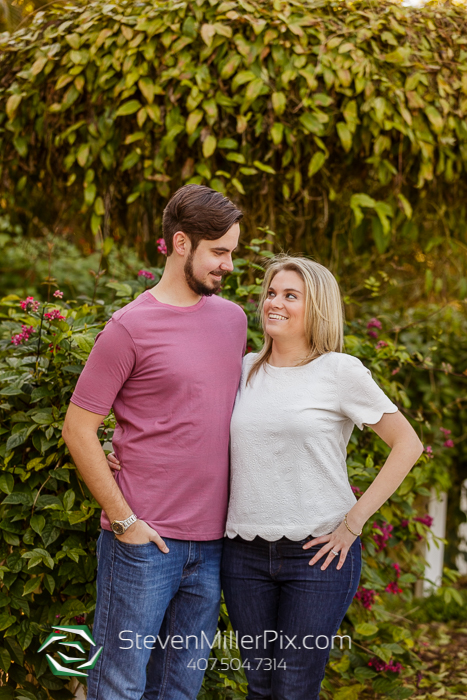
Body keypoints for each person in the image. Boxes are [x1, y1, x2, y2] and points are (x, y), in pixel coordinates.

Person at [61, 185, 247, 700]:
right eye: (221, 252)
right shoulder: (129, 327)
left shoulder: (234, 322)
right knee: (116, 687)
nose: (229, 265)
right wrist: (124, 521)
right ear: (181, 243)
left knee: (179, 688)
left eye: (233, 251)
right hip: (143, 543)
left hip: (212, 546)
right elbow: (78, 428)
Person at [219, 255, 424, 700]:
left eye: (291, 296)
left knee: (294, 687)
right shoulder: (241, 370)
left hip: (317, 557)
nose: (275, 303)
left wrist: (353, 522)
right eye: (272, 293)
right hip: (243, 555)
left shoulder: (340, 371)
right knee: (259, 686)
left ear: (317, 308)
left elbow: (408, 445)